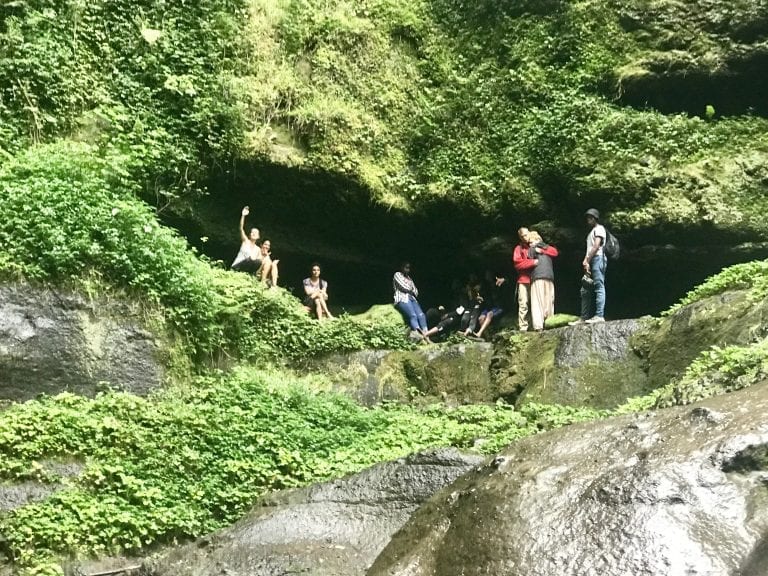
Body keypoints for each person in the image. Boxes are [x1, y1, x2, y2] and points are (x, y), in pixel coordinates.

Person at [570, 208, 607, 325]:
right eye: (587, 218)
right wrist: (587, 263)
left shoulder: (599, 229)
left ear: (595, 218)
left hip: (598, 259)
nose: (588, 220)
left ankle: (599, 315)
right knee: (585, 290)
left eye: (591, 218)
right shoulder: (591, 232)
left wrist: (586, 259)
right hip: (591, 262)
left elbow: (596, 246)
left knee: (599, 286)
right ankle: (584, 317)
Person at [527, 231, 558, 331]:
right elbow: (555, 252)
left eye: (530, 242)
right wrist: (542, 248)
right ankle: (549, 323)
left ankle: (538, 326)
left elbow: (530, 256)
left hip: (538, 276)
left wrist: (538, 248)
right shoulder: (547, 248)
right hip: (549, 276)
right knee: (549, 301)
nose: (530, 244)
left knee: (537, 302)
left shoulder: (532, 249)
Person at [393, 262, 430, 341]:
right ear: (402, 267)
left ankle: (426, 335)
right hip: (402, 298)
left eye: (409, 268)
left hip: (412, 298)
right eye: (406, 267)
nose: (407, 270)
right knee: (413, 315)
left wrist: (411, 290)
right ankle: (419, 334)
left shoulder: (409, 278)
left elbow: (416, 291)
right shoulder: (397, 274)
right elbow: (403, 286)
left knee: (421, 315)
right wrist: (410, 290)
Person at [511, 227, 538, 331]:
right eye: (523, 236)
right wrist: (532, 262)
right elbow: (518, 265)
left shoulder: (534, 245)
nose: (525, 237)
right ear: (520, 237)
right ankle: (523, 327)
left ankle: (535, 325)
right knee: (523, 304)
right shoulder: (518, 249)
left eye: (526, 234)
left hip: (535, 278)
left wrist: (526, 263)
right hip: (523, 280)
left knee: (535, 303)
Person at [231, 206, 262, 275]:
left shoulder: (258, 249)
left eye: (255, 233)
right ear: (249, 234)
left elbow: (259, 261)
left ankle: (250, 275)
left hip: (247, 268)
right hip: (237, 266)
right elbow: (241, 228)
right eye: (252, 232)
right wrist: (243, 215)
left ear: (258, 236)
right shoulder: (245, 241)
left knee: (258, 262)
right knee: (249, 259)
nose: (253, 234)